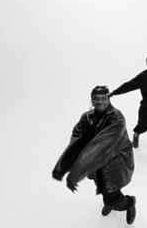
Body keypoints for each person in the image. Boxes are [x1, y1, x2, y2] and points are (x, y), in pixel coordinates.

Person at [52, 85, 136, 225]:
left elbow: (101, 146)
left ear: (109, 99)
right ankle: (109, 200)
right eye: (96, 99)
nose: (100, 102)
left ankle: (129, 203)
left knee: (112, 195)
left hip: (115, 163)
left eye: (104, 98)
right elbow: (77, 139)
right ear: (91, 100)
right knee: (104, 188)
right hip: (94, 162)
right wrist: (62, 166)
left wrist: (75, 173)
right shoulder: (86, 117)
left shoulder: (117, 118)